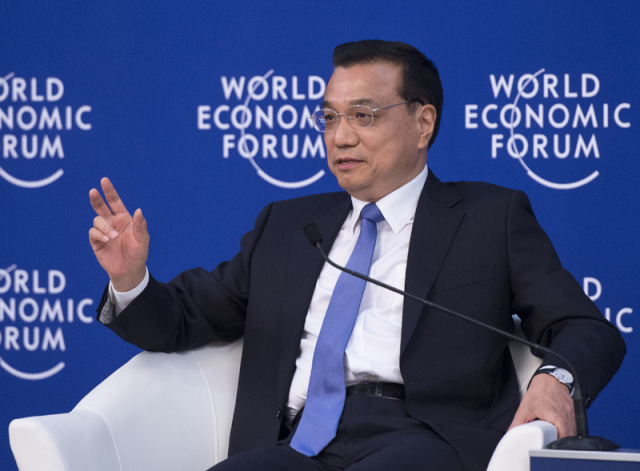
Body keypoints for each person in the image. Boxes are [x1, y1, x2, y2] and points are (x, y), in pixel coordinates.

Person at [89, 40, 625, 471]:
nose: (340, 137)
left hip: (426, 439)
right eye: (328, 118)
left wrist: (556, 380)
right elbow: (184, 318)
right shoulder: (288, 226)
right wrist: (131, 279)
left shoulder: (490, 218)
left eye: (363, 116)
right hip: (296, 444)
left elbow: (585, 328)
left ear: (423, 123)